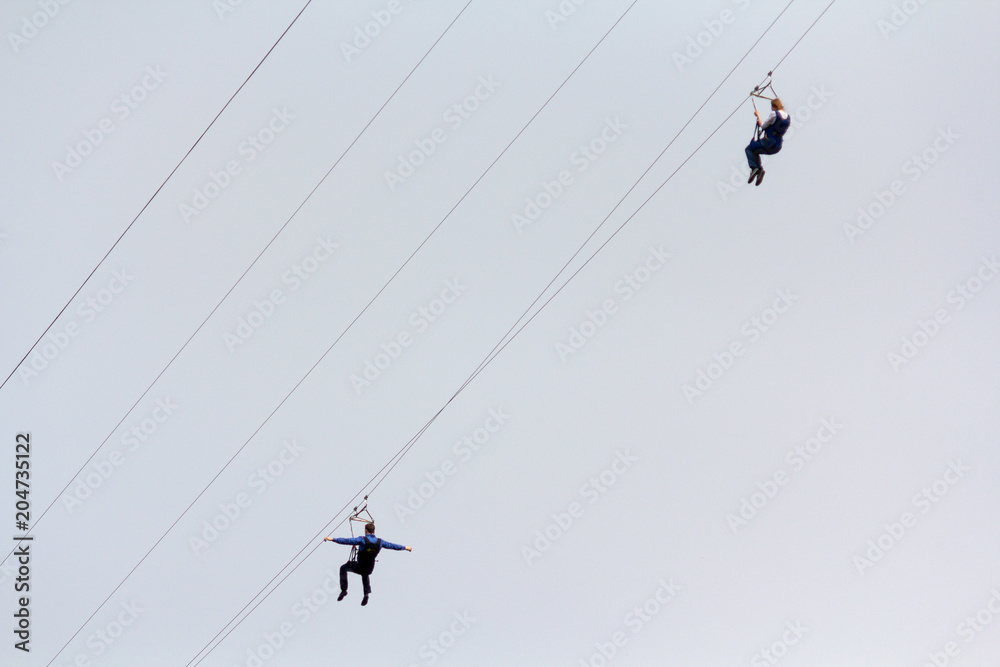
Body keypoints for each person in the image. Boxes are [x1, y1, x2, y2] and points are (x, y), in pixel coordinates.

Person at [324, 522, 411, 605]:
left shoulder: (362, 540)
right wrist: (405, 548)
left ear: (365, 530)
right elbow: (392, 546)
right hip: (369, 568)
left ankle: (344, 590)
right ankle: (366, 594)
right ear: (374, 531)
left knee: (343, 568)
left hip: (360, 566)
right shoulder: (380, 542)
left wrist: (332, 539)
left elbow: (347, 541)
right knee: (365, 573)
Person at [745, 98, 790, 186]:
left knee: (749, 149)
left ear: (773, 106)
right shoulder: (788, 117)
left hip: (767, 143)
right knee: (756, 150)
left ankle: (755, 168)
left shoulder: (774, 114)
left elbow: (763, 126)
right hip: (777, 146)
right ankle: (759, 170)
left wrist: (758, 115)